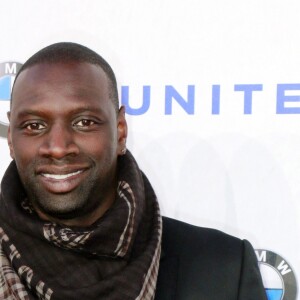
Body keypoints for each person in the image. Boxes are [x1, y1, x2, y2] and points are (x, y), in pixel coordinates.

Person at [0, 42, 267, 300]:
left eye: (84, 122)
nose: (58, 147)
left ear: (120, 131)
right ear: (11, 138)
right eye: (34, 126)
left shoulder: (225, 270)